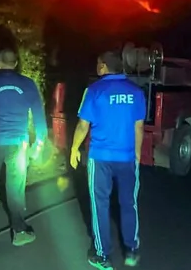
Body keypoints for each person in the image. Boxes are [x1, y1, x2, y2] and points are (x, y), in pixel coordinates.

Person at [70, 51, 145, 269]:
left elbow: (83, 125)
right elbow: (139, 127)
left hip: (100, 158)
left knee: (99, 204)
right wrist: (137, 155)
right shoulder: (136, 92)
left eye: (97, 65)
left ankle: (103, 255)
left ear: (103, 67)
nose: (96, 68)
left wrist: (74, 148)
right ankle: (131, 249)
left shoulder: (94, 91)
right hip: (127, 157)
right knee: (129, 203)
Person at [0, 48, 48, 246]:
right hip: (18, 145)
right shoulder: (27, 84)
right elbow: (39, 114)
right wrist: (39, 140)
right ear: (15, 64)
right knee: (15, 188)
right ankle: (19, 231)